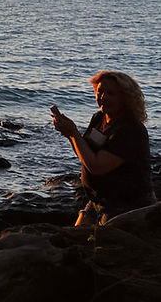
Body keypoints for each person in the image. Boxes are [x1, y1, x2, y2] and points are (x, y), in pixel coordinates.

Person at [50, 70, 156, 226]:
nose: (103, 97)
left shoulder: (131, 130)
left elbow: (97, 166)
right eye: (100, 91)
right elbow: (86, 153)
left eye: (111, 93)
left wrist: (73, 132)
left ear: (125, 98)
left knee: (96, 246)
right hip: (98, 200)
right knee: (75, 238)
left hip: (128, 205)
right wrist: (69, 134)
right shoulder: (99, 118)